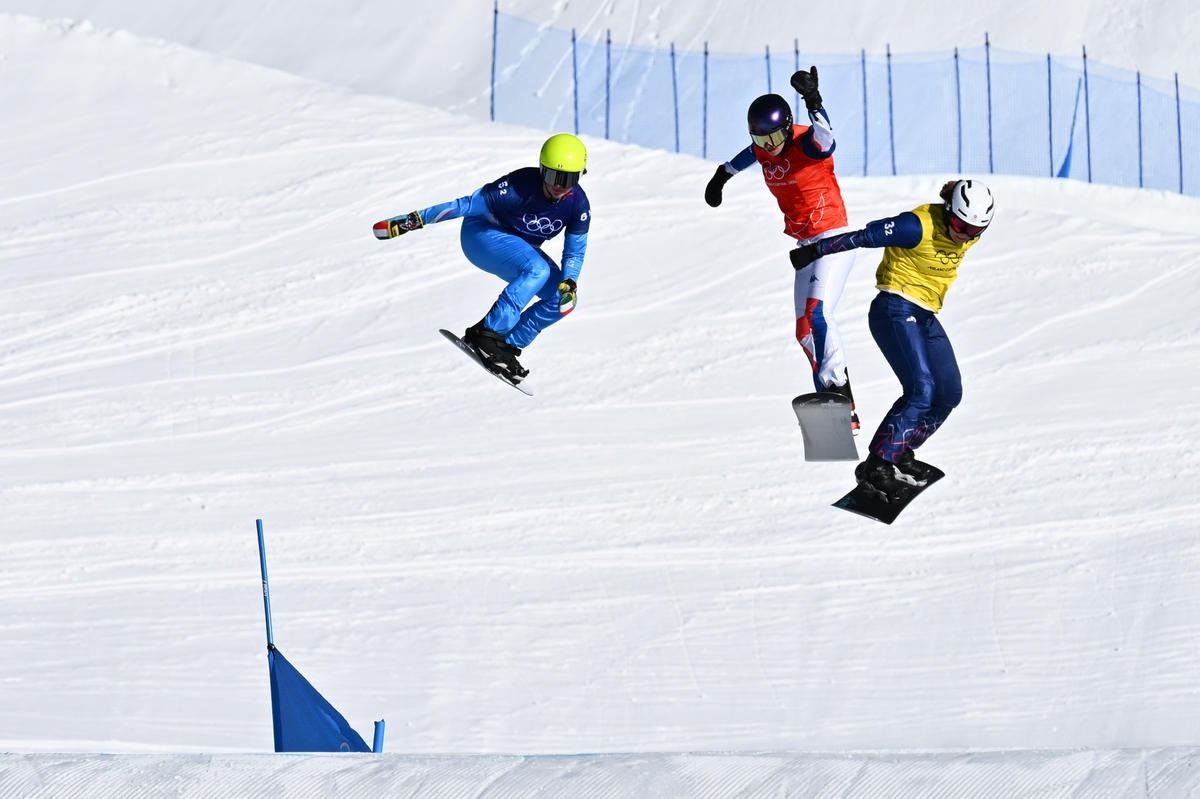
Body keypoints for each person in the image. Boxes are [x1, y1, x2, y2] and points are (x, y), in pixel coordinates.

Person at [789, 179, 995, 500]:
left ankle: (900, 450)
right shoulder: (915, 226)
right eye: (959, 225)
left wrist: (967, 229)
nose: (963, 235)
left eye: (974, 230)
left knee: (949, 393)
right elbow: (862, 237)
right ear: (948, 210)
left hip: (925, 315)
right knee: (922, 390)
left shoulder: (968, 232)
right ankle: (877, 466)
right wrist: (815, 251)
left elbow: (968, 227)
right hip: (894, 309)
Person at [705, 66, 860, 431]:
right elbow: (746, 156)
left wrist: (813, 101)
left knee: (818, 315)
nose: (769, 145)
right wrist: (721, 176)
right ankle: (830, 399)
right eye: (760, 139)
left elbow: (828, 138)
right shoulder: (763, 150)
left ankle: (841, 394)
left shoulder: (808, 143)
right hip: (806, 245)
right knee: (804, 330)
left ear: (788, 128)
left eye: (774, 137)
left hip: (833, 237)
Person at [373, 133, 591, 383]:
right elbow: (465, 205)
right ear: (542, 169)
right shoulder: (518, 187)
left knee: (564, 300)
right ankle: (487, 334)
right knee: (538, 270)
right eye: (553, 176)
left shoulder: (578, 205)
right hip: (481, 235)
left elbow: (575, 251)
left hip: (518, 247)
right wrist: (416, 219)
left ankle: (506, 346)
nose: (559, 185)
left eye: (569, 179)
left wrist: (570, 281)